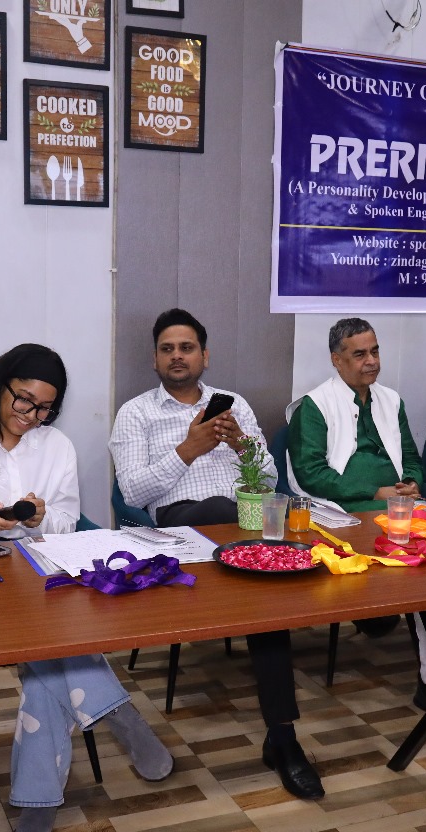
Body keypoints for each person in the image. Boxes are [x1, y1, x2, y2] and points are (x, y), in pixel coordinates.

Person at [0, 344, 172, 832]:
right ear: (1, 386)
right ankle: (117, 713)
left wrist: (39, 517)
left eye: (44, 409)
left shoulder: (56, 445)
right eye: (24, 401)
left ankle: (39, 799)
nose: (31, 416)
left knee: (47, 653)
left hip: (40, 574)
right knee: (52, 647)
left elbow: (67, 521)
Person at [109, 309, 324, 800]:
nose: (177, 356)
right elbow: (132, 492)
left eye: (186, 348)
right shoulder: (135, 414)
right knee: (233, 529)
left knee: (267, 602)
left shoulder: (234, 406)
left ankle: (283, 737)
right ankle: (284, 740)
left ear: (204, 356)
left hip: (241, 525)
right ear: (154, 359)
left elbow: (269, 480)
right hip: (182, 527)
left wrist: (242, 445)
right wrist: (189, 448)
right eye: (167, 349)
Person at [285, 317, 419, 638]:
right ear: (337, 360)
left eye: (375, 351)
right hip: (346, 508)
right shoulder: (315, 406)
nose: (372, 361)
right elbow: (311, 475)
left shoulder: (391, 400)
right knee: (403, 543)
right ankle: (380, 607)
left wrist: (412, 483)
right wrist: (375, 492)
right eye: (360, 354)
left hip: (398, 505)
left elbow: (411, 457)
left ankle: (425, 616)